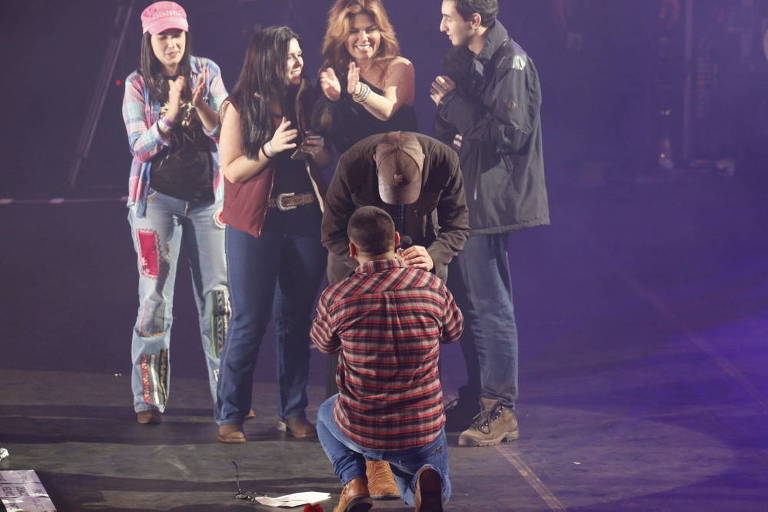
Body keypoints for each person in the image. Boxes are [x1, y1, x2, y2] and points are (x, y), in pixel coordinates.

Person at [321, 131, 468, 499]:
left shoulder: (445, 161)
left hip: (421, 272)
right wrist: (371, 264)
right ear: (374, 164)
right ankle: (378, 468)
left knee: (415, 363)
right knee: (356, 363)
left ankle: (365, 470)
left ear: (423, 167)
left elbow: (457, 225)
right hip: (358, 273)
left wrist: (433, 255)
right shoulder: (352, 163)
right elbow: (332, 234)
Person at [431, 0, 550, 446]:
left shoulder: (511, 60)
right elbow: (451, 124)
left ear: (474, 20)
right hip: (466, 195)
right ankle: (479, 396)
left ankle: (501, 409)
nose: (442, 25)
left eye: (448, 17)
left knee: (490, 304)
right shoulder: (469, 61)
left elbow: (510, 132)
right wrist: (454, 108)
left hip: (490, 199)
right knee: (467, 303)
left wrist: (454, 104)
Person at [215, 26, 331, 444]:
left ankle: (294, 412)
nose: (299, 63)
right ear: (268, 61)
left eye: (300, 55)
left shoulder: (307, 100)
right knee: (249, 320)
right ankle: (230, 415)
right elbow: (231, 169)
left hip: (303, 221)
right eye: (289, 57)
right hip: (256, 226)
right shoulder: (240, 105)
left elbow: (325, 158)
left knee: (296, 320)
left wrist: (317, 150)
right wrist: (269, 150)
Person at [122, 1, 229, 425]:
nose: (172, 43)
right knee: (154, 299)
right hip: (155, 202)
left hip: (208, 201)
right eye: (164, 35)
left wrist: (200, 105)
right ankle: (148, 398)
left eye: (178, 35)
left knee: (218, 299)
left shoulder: (208, 71)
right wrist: (169, 110)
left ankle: (229, 396)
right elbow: (140, 147)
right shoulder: (136, 84)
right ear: (150, 39)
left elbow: (226, 130)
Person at [316, 0, 417, 153]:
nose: (363, 38)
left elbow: (386, 111)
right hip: (357, 171)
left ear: (381, 32)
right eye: (353, 31)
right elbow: (329, 139)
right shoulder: (333, 75)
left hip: (401, 169)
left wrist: (358, 91)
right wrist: (333, 101)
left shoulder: (400, 66)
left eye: (370, 29)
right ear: (341, 36)